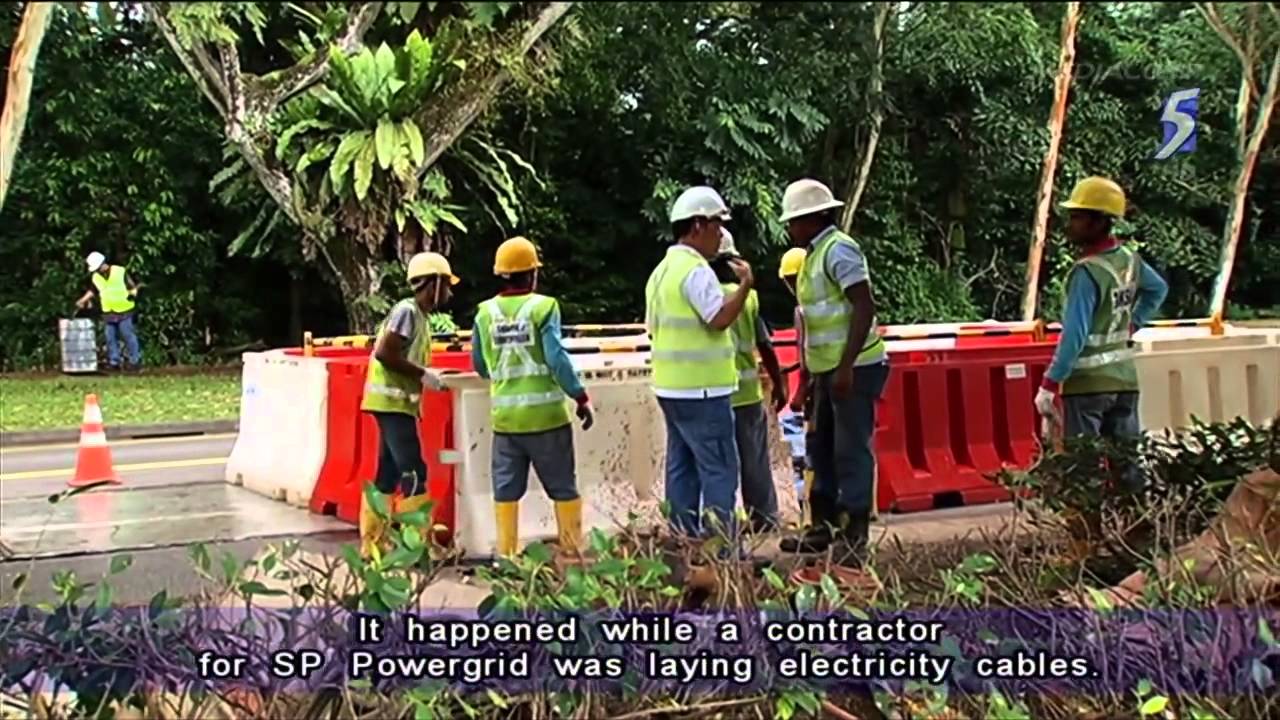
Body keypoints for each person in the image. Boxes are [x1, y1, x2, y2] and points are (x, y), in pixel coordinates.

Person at [776, 179, 889, 568]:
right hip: (828, 371)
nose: (790, 228)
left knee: (850, 449)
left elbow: (863, 306)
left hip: (853, 368)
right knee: (820, 448)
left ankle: (854, 532)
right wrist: (811, 377)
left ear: (813, 217)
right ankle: (821, 525)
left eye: (794, 221)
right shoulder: (813, 254)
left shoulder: (839, 249)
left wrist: (845, 367)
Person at [1035, 176, 1168, 492]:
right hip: (1124, 381)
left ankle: (1088, 537)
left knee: (1085, 472)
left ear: (1100, 221)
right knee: (1128, 468)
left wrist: (1049, 383)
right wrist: (1132, 323)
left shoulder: (1086, 272)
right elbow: (1158, 290)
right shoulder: (1130, 261)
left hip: (1087, 387)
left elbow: (1074, 337)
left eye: (1079, 217)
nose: (1072, 224)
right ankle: (1136, 532)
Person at [472, 236, 596, 560]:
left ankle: (507, 557)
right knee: (563, 488)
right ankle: (570, 553)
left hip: (506, 422)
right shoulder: (544, 307)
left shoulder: (484, 313)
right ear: (532, 274)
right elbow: (556, 359)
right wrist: (580, 396)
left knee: (506, 491)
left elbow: (480, 365)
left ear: (501, 274)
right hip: (547, 419)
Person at [644, 185, 754, 543]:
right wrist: (745, 286)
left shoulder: (660, 273)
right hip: (704, 390)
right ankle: (723, 550)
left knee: (682, 468)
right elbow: (719, 318)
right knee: (719, 468)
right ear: (697, 225)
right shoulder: (695, 270)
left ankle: (683, 543)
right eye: (717, 225)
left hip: (671, 387)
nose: (720, 234)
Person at [358, 252, 459, 558]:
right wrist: (424, 376)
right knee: (413, 470)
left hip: (394, 403)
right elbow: (386, 353)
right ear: (434, 283)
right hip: (391, 403)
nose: (449, 293)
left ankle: (374, 543)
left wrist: (426, 375)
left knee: (387, 474)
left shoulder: (418, 317)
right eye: (446, 284)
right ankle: (419, 545)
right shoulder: (407, 311)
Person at [708, 228, 787, 533]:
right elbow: (765, 345)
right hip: (747, 394)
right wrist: (779, 384)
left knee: (718, 464)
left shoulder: (701, 293)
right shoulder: (748, 298)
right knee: (754, 460)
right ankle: (765, 518)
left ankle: (720, 524)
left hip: (714, 393)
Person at [776, 247, 811, 520]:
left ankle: (813, 513)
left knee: (814, 448)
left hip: (823, 382)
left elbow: (808, 353)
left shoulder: (804, 309)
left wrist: (801, 391)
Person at [76, 251, 142, 372]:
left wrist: (133, 293)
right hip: (108, 311)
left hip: (124, 309)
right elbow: (93, 290)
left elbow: (133, 286)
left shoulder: (120, 271)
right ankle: (114, 362)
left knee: (128, 336)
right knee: (110, 337)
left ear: (102, 264)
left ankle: (135, 362)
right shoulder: (96, 277)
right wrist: (83, 300)